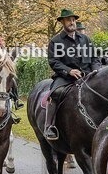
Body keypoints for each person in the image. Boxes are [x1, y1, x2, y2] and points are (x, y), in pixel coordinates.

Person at [43, 8, 102, 140]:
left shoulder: (85, 39)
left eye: (73, 20)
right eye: (68, 20)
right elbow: (54, 62)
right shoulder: (55, 41)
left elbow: (94, 58)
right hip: (66, 78)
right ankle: (49, 126)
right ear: (62, 22)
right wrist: (69, 70)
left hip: (87, 75)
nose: (72, 22)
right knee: (55, 93)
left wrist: (96, 71)